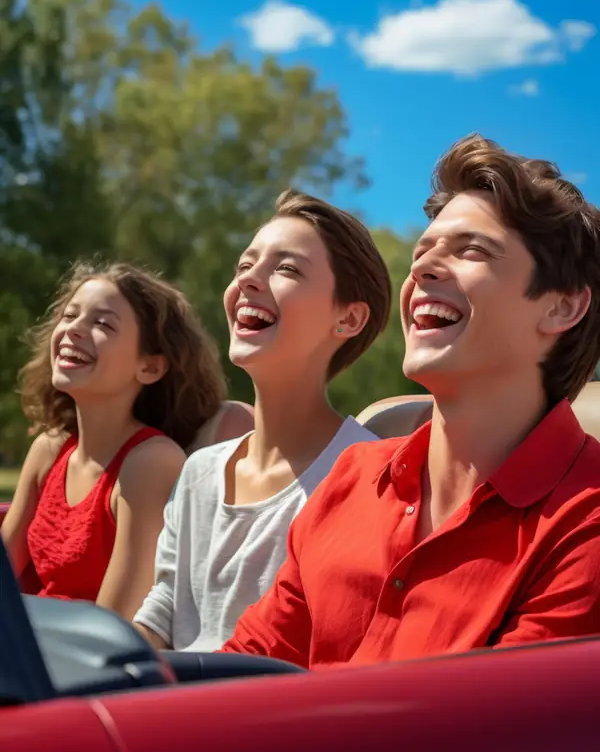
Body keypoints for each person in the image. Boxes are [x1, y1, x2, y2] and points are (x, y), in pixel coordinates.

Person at [219, 133, 600, 670]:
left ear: (561, 307)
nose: (421, 269)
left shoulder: (586, 524)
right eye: (423, 252)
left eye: (471, 251)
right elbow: (248, 670)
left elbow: (492, 742)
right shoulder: (350, 479)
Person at [133, 189, 392, 651]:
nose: (249, 280)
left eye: (287, 268)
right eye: (244, 265)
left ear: (348, 318)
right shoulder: (199, 471)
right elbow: (165, 607)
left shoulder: (368, 477)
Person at [1, 261, 253, 621]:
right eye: (69, 316)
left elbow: (114, 624)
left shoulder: (149, 462)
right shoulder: (49, 449)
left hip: (86, 663)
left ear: (150, 367)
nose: (73, 329)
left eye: (102, 323)